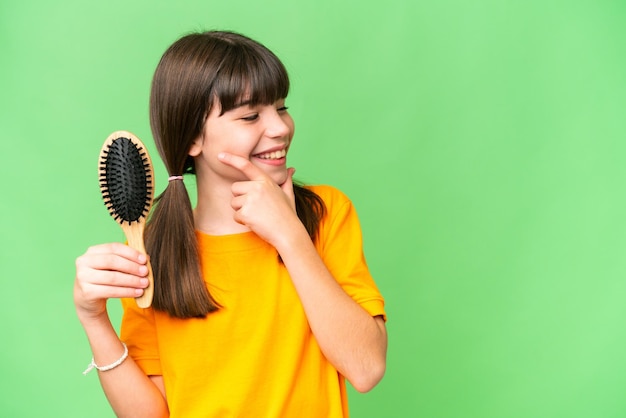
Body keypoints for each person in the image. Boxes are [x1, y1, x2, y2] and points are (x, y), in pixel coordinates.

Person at [74, 30, 387, 417]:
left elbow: (367, 367)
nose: (280, 128)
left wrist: (290, 236)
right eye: (251, 115)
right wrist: (94, 320)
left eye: (282, 107)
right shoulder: (154, 254)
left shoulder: (324, 213)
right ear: (192, 138)